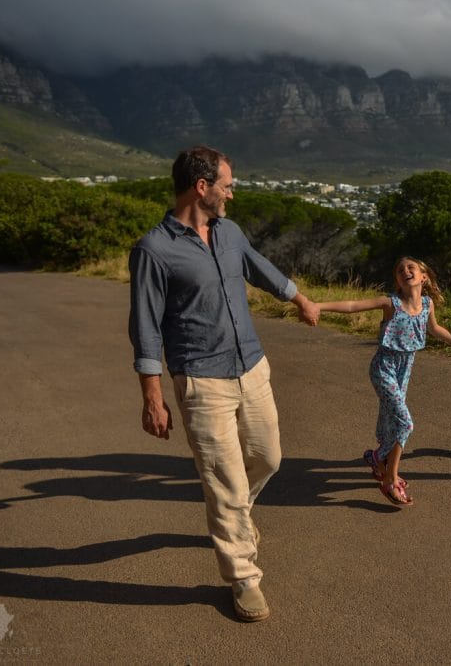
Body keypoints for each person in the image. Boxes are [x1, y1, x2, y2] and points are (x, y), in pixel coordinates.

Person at [128, 145, 319, 622]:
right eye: (227, 186)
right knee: (226, 484)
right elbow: (145, 326)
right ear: (202, 187)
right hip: (201, 380)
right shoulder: (154, 250)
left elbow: (259, 266)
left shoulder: (229, 232)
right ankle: (243, 577)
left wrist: (300, 299)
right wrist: (152, 396)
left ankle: (233, 516)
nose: (232, 193)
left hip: (252, 367)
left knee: (268, 458)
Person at [317, 257, 451, 507]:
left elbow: (435, 329)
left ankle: (377, 458)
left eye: (411, 267)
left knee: (391, 419)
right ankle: (390, 479)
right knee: (405, 423)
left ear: (424, 277)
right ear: (398, 282)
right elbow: (353, 306)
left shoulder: (427, 304)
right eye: (400, 270)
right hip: (384, 368)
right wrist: (318, 306)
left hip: (405, 370)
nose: (405, 271)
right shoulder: (391, 303)